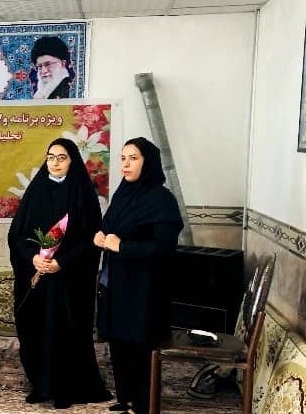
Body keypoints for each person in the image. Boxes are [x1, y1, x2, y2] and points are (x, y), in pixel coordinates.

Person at [7, 138, 113, 408]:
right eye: (50, 157)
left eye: (61, 157)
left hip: (69, 281)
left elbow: (90, 239)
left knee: (65, 333)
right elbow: (16, 234)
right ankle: (40, 386)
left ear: (72, 161)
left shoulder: (82, 193)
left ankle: (66, 388)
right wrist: (33, 258)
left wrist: (61, 262)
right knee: (35, 330)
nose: (54, 163)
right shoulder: (36, 190)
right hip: (37, 277)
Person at [94, 137, 183, 414]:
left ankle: (144, 405)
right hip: (116, 284)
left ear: (148, 162)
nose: (126, 164)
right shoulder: (123, 193)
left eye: (133, 158)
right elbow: (109, 224)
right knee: (119, 343)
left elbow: (164, 247)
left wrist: (122, 246)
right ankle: (126, 398)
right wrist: (101, 235)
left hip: (144, 289)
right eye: (123, 158)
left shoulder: (162, 200)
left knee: (140, 346)